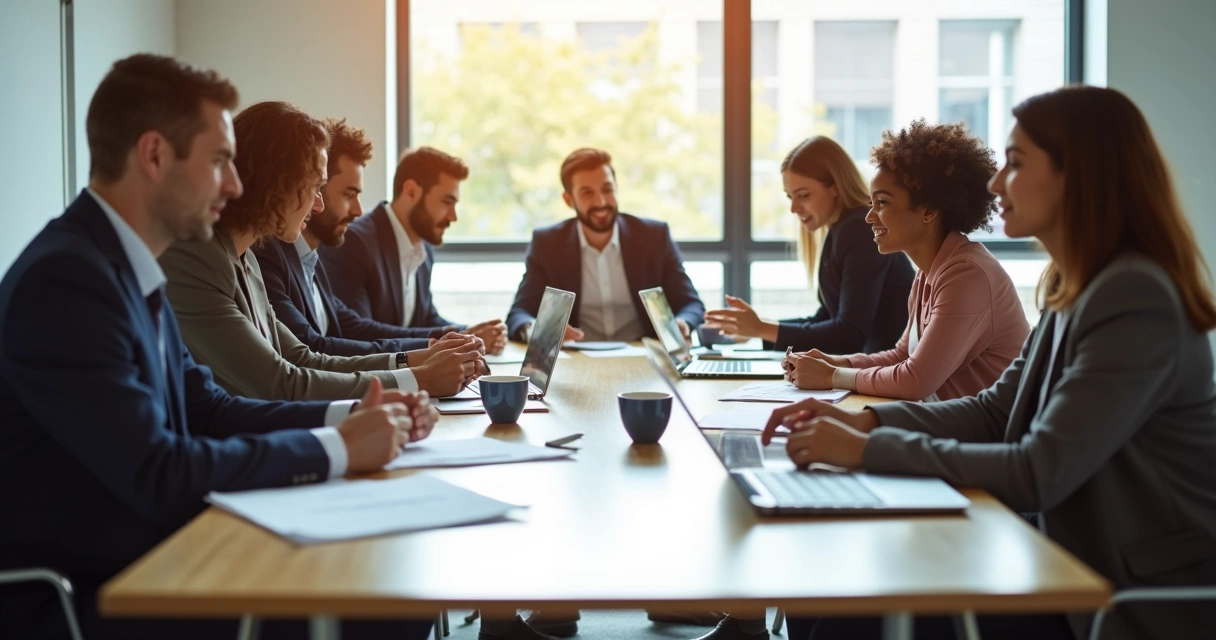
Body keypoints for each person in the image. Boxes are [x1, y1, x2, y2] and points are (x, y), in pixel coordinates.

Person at [0, 54, 435, 640]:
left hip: (160, 549)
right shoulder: (68, 281)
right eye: (219, 162)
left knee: (385, 580)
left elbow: (208, 408)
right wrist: (334, 447)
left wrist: (355, 414)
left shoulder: (123, 265)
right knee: (375, 604)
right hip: (93, 587)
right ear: (154, 155)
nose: (235, 185)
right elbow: (157, 468)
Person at [767, 86, 1216, 640]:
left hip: (1119, 588)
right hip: (1060, 549)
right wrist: (867, 421)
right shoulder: (1074, 286)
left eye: (1016, 164)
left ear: (1083, 175)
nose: (997, 183)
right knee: (826, 586)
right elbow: (994, 409)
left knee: (850, 609)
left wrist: (869, 447)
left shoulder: (1133, 297)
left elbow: (1038, 470)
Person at [160, 101, 484, 401]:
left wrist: (418, 359)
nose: (318, 204)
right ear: (277, 182)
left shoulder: (246, 257)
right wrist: (419, 378)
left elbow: (303, 358)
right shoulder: (201, 256)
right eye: (315, 186)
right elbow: (278, 382)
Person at [783, 120, 1029, 402]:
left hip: (988, 438)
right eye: (871, 204)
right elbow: (901, 355)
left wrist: (829, 377)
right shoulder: (929, 273)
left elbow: (916, 380)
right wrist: (834, 363)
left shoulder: (967, 274)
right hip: (950, 427)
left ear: (928, 210)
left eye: (883, 203)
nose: (869, 217)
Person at [253, 117, 442, 357]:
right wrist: (417, 355)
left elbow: (352, 326)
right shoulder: (268, 255)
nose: (358, 211)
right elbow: (312, 348)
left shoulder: (310, 256)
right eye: (348, 194)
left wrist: (439, 341)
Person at [703, 137, 913, 353]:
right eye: (790, 197)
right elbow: (825, 318)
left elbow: (848, 334)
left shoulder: (859, 228)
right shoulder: (841, 228)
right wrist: (755, 329)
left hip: (891, 372)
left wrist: (761, 329)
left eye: (803, 195)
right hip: (877, 370)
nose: (794, 208)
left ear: (835, 186)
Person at [506, 148, 706, 344]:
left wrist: (682, 324)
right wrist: (540, 331)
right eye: (587, 193)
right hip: (577, 361)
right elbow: (519, 314)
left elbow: (691, 304)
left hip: (643, 357)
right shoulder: (548, 244)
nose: (600, 201)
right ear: (568, 200)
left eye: (607, 189)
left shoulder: (654, 237)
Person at [320, 146, 509, 354]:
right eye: (447, 202)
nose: (453, 217)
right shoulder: (354, 242)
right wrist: (460, 339)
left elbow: (426, 318)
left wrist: (471, 334)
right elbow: (359, 334)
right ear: (411, 191)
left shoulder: (422, 247)